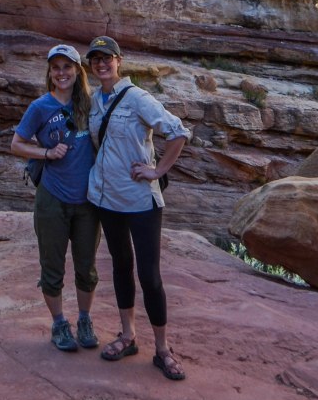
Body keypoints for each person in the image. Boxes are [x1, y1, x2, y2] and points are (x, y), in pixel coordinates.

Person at [85, 35, 190, 381]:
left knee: (149, 276)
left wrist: (158, 171)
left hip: (140, 200)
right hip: (106, 199)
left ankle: (162, 349)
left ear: (120, 61)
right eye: (96, 59)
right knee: (120, 267)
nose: (102, 64)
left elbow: (177, 132)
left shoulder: (137, 97)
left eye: (107, 58)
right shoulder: (94, 101)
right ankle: (128, 336)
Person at [10, 44, 101, 352]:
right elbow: (17, 144)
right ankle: (60, 323)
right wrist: (46, 153)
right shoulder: (40, 107)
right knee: (52, 266)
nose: (62, 73)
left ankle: (85, 319)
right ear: (50, 73)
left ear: (78, 71)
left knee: (86, 266)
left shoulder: (92, 104)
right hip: (52, 198)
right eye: (56, 67)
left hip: (88, 201)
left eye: (67, 67)